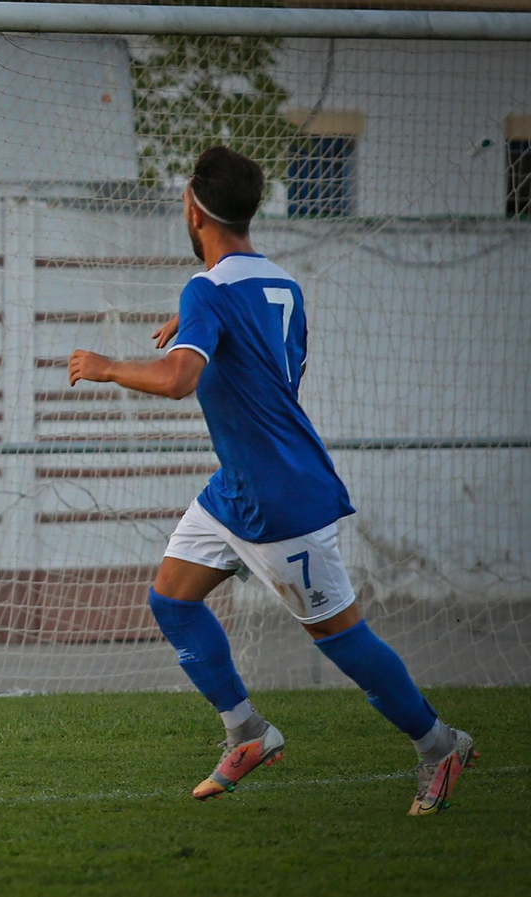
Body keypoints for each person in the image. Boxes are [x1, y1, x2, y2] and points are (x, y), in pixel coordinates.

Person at [67, 146, 476, 816]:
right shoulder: (281, 283)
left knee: (343, 640)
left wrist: (106, 364)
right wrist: (194, 328)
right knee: (172, 599)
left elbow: (178, 381)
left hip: (282, 499)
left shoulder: (206, 291)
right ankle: (247, 731)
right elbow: (267, 362)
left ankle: (439, 744)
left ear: (194, 210)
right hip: (239, 488)